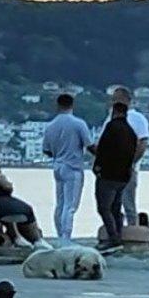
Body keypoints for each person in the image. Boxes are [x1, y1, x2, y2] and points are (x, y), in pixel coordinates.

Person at [0, 142, 52, 250]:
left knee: (10, 211)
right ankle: (37, 239)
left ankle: (17, 237)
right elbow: (6, 185)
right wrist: (8, 184)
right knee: (27, 210)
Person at [41, 93, 93, 242]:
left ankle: (59, 234)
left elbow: (46, 150)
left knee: (60, 203)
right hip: (73, 166)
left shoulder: (50, 126)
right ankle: (66, 235)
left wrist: (58, 152)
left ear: (58, 105)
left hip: (57, 166)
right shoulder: (78, 124)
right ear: (72, 105)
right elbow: (89, 145)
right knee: (70, 205)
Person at [93, 101, 138, 251]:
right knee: (116, 207)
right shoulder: (131, 132)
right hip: (123, 176)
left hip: (108, 174)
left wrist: (97, 166)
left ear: (114, 112)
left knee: (104, 207)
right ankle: (118, 234)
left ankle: (113, 237)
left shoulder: (111, 127)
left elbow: (103, 149)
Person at [107, 86, 149, 228]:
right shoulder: (110, 118)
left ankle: (134, 231)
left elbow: (143, 143)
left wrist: (131, 163)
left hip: (128, 169)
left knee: (128, 204)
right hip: (111, 171)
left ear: (126, 100)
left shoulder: (137, 119)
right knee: (111, 205)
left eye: (116, 99)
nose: (113, 102)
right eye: (113, 99)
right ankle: (115, 233)